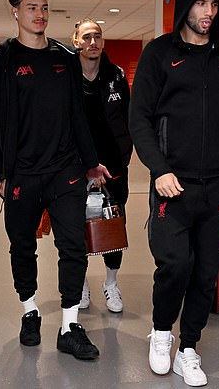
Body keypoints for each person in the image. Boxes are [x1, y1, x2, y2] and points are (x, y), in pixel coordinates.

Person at [129, 0, 219, 386]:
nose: (209, 12)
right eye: (201, 3)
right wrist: (159, 169)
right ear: (186, 5)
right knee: (175, 265)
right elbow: (139, 119)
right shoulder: (160, 54)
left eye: (214, 5)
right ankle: (161, 333)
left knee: (205, 273)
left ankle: (188, 349)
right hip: (172, 185)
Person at [0, 0, 109, 361]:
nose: (40, 14)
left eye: (45, 8)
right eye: (32, 7)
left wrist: (90, 161)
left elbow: (77, 116)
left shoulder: (65, 59)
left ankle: (69, 325)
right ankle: (30, 310)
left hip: (65, 171)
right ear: (15, 11)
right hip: (22, 175)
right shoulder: (0, 64)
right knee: (23, 246)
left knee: (72, 246)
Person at [71, 18, 132, 313]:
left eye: (97, 36)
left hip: (114, 168)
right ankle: (81, 283)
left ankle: (110, 284)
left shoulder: (116, 76)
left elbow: (129, 120)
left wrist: (123, 156)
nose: (92, 42)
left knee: (114, 225)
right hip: (75, 167)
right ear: (76, 41)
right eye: (86, 37)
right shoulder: (66, 76)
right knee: (74, 226)